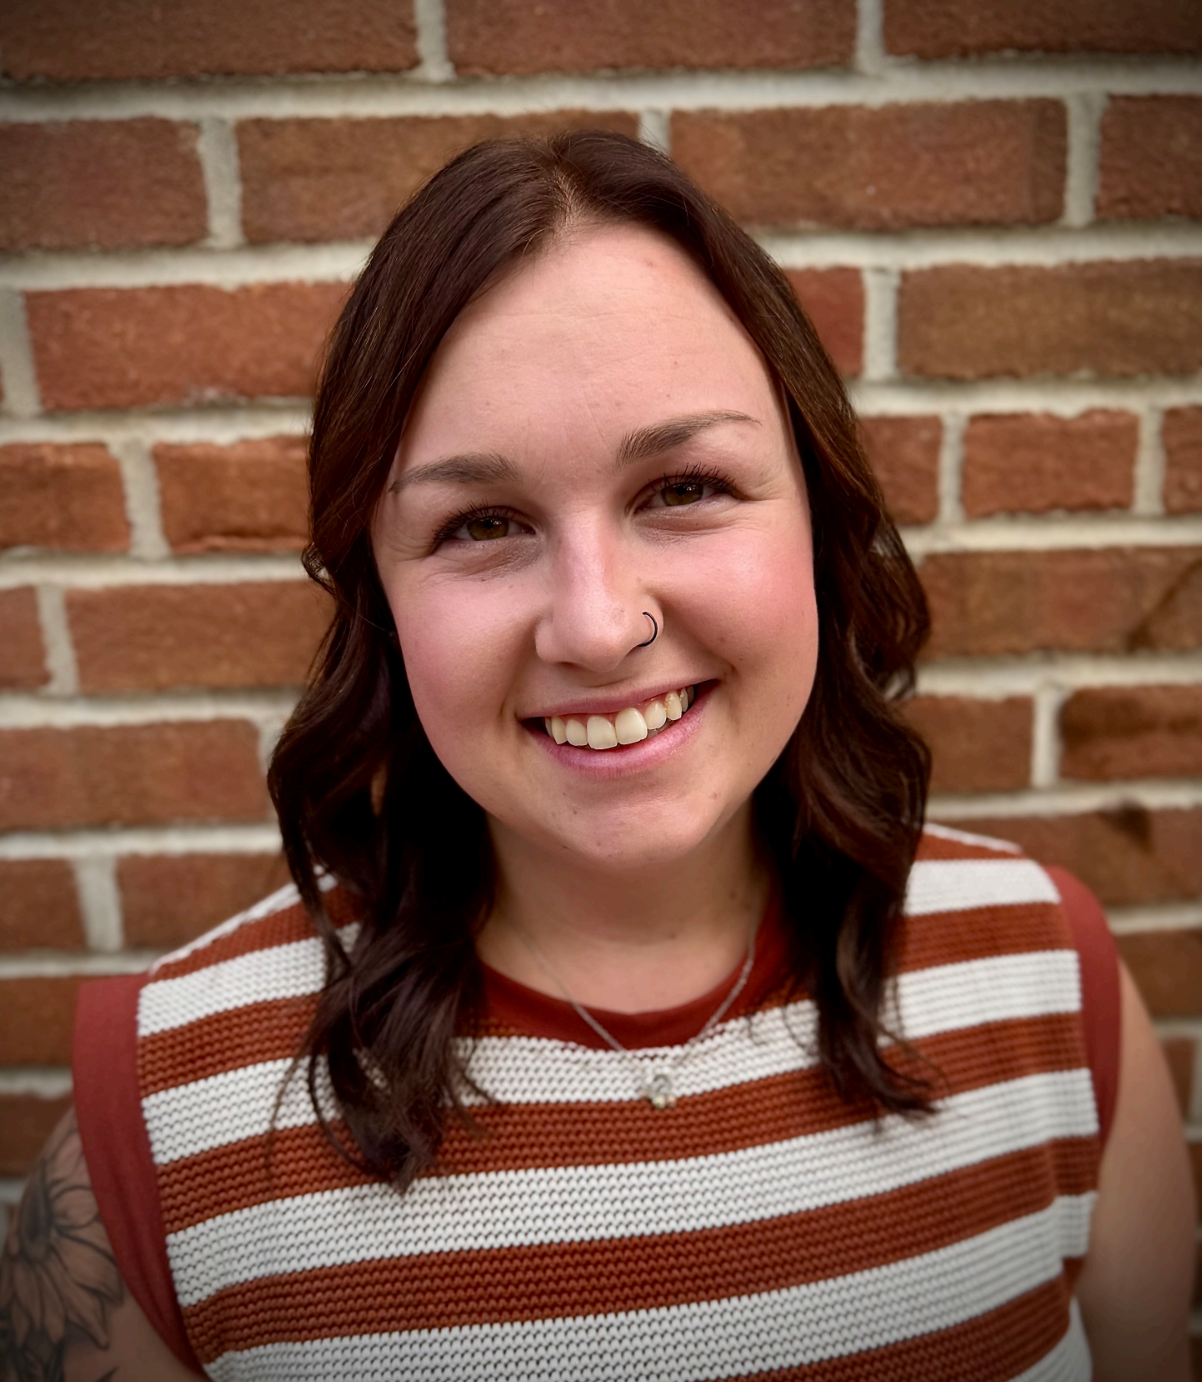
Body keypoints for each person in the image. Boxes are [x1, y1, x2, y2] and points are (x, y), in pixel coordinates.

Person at [1, 131, 1192, 1381]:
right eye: (482, 522)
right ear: (379, 601)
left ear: (818, 515)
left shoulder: (1050, 983)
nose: (596, 624)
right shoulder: (158, 1126)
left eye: (681, 487)